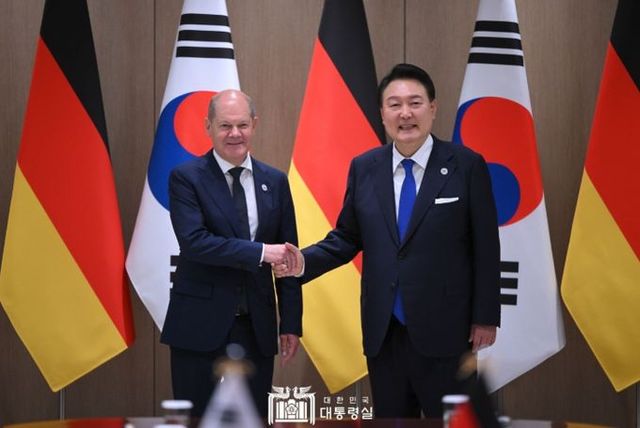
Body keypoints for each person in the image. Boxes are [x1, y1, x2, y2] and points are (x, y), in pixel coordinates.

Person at [276, 63, 500, 418]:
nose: (405, 113)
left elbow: (486, 247)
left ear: (433, 108)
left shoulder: (466, 165)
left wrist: (485, 317)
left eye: (415, 103)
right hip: (385, 331)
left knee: (452, 422)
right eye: (394, 104)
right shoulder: (365, 167)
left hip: (446, 329)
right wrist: (303, 261)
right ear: (382, 114)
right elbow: (347, 237)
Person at [160, 89, 302, 418]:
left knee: (254, 419)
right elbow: (195, 242)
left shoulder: (275, 181)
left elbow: (288, 257)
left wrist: (291, 322)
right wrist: (261, 252)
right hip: (198, 324)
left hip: (256, 326)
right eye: (225, 125)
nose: (234, 134)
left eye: (242, 125)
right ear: (208, 126)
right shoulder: (186, 178)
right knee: (195, 420)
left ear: (254, 125)